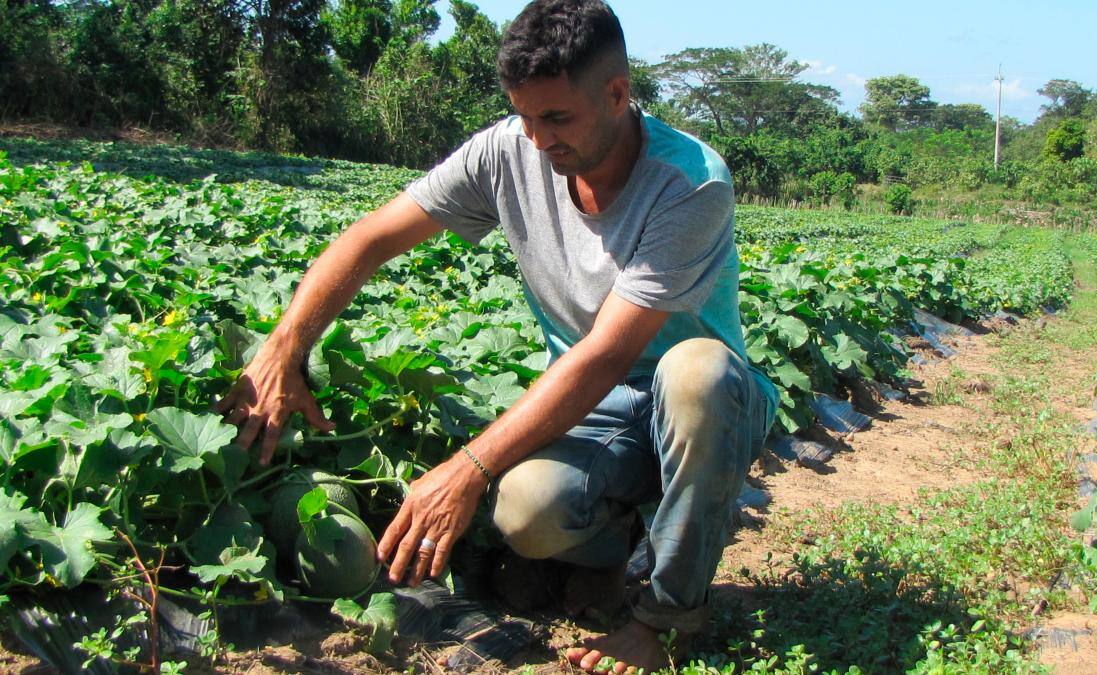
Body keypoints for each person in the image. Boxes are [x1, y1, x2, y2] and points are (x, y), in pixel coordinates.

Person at [217, 0, 778, 671]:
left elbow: (606, 354)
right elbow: (368, 240)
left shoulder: (690, 182)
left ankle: (665, 615)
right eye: (525, 116)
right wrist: (285, 346)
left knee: (697, 374)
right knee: (525, 513)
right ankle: (626, 534)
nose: (538, 140)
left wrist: (466, 468)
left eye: (557, 118)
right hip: (598, 409)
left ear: (618, 94)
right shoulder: (508, 150)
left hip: (695, 400)